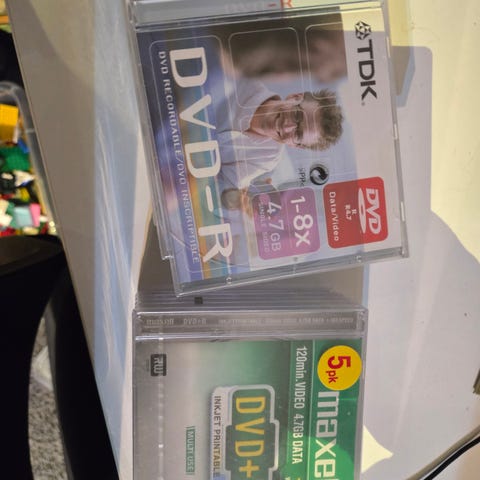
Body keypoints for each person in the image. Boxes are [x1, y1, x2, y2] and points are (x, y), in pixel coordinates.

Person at [215, 79, 343, 190]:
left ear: (296, 146)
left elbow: (221, 185)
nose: (286, 127)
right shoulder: (243, 81)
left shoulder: (269, 158)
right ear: (295, 97)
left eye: (298, 134)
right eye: (296, 115)